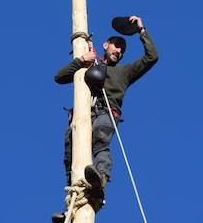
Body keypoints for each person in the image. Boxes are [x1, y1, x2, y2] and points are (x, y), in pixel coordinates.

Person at [53, 15, 158, 211]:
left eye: (122, 50)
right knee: (70, 154)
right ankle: (72, 203)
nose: (119, 51)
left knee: (100, 138)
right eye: (116, 45)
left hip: (106, 112)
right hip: (81, 115)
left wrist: (141, 30)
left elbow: (152, 57)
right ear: (105, 45)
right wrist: (81, 60)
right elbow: (59, 77)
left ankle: (99, 180)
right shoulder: (89, 64)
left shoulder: (124, 72)